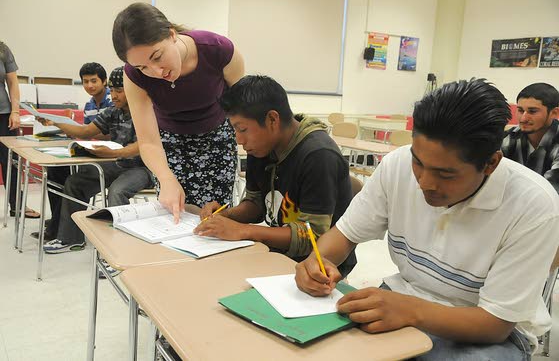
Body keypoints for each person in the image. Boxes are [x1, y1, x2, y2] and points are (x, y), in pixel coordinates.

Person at [295, 78, 559, 360]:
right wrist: (318, 261)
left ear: (491, 163)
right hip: (403, 296)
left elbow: (496, 324)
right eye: (418, 162)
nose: (424, 182)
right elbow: (344, 235)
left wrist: (411, 310)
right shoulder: (397, 166)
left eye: (445, 174)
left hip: (486, 328)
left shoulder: (533, 204)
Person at [194, 75, 357, 276]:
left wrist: (243, 231)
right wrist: (226, 215)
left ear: (272, 119)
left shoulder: (318, 156)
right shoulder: (262, 146)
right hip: (279, 255)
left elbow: (312, 237)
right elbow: (256, 205)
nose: (238, 139)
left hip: (320, 269)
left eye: (242, 129)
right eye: (234, 130)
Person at [112, 2, 244, 221]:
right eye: (142, 67)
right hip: (168, 146)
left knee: (216, 219)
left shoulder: (218, 50)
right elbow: (148, 142)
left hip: (216, 141)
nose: (155, 71)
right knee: (174, 216)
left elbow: (242, 105)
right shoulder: (134, 77)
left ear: (172, 35)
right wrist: (166, 178)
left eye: (157, 57)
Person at [42, 67, 153, 253]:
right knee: (75, 182)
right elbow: (85, 131)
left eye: (119, 91)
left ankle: (120, 251)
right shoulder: (112, 112)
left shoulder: (147, 111)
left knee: (117, 191)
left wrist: (116, 153)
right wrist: (55, 122)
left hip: (143, 168)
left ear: (134, 90)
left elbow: (145, 144)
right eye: (112, 91)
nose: (114, 96)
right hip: (118, 164)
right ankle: (71, 238)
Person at [35, 62, 113, 240]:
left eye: (94, 81)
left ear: (104, 81)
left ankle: (57, 227)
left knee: (70, 179)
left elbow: (105, 134)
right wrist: (66, 129)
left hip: (107, 155)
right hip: (92, 150)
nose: (90, 85)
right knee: (54, 171)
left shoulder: (113, 101)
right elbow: (85, 132)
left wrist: (82, 131)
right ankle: (58, 220)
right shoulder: (89, 105)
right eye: (85, 82)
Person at [0, 41, 40, 218]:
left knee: (11, 163)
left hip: (4, 113)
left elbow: (12, 82)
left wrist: (15, 111)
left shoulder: (3, 49)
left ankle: (17, 205)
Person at [501, 83, 559, 192]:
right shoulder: (508, 138)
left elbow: (551, 192)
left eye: (532, 111)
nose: (523, 118)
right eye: (520, 110)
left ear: (554, 113)